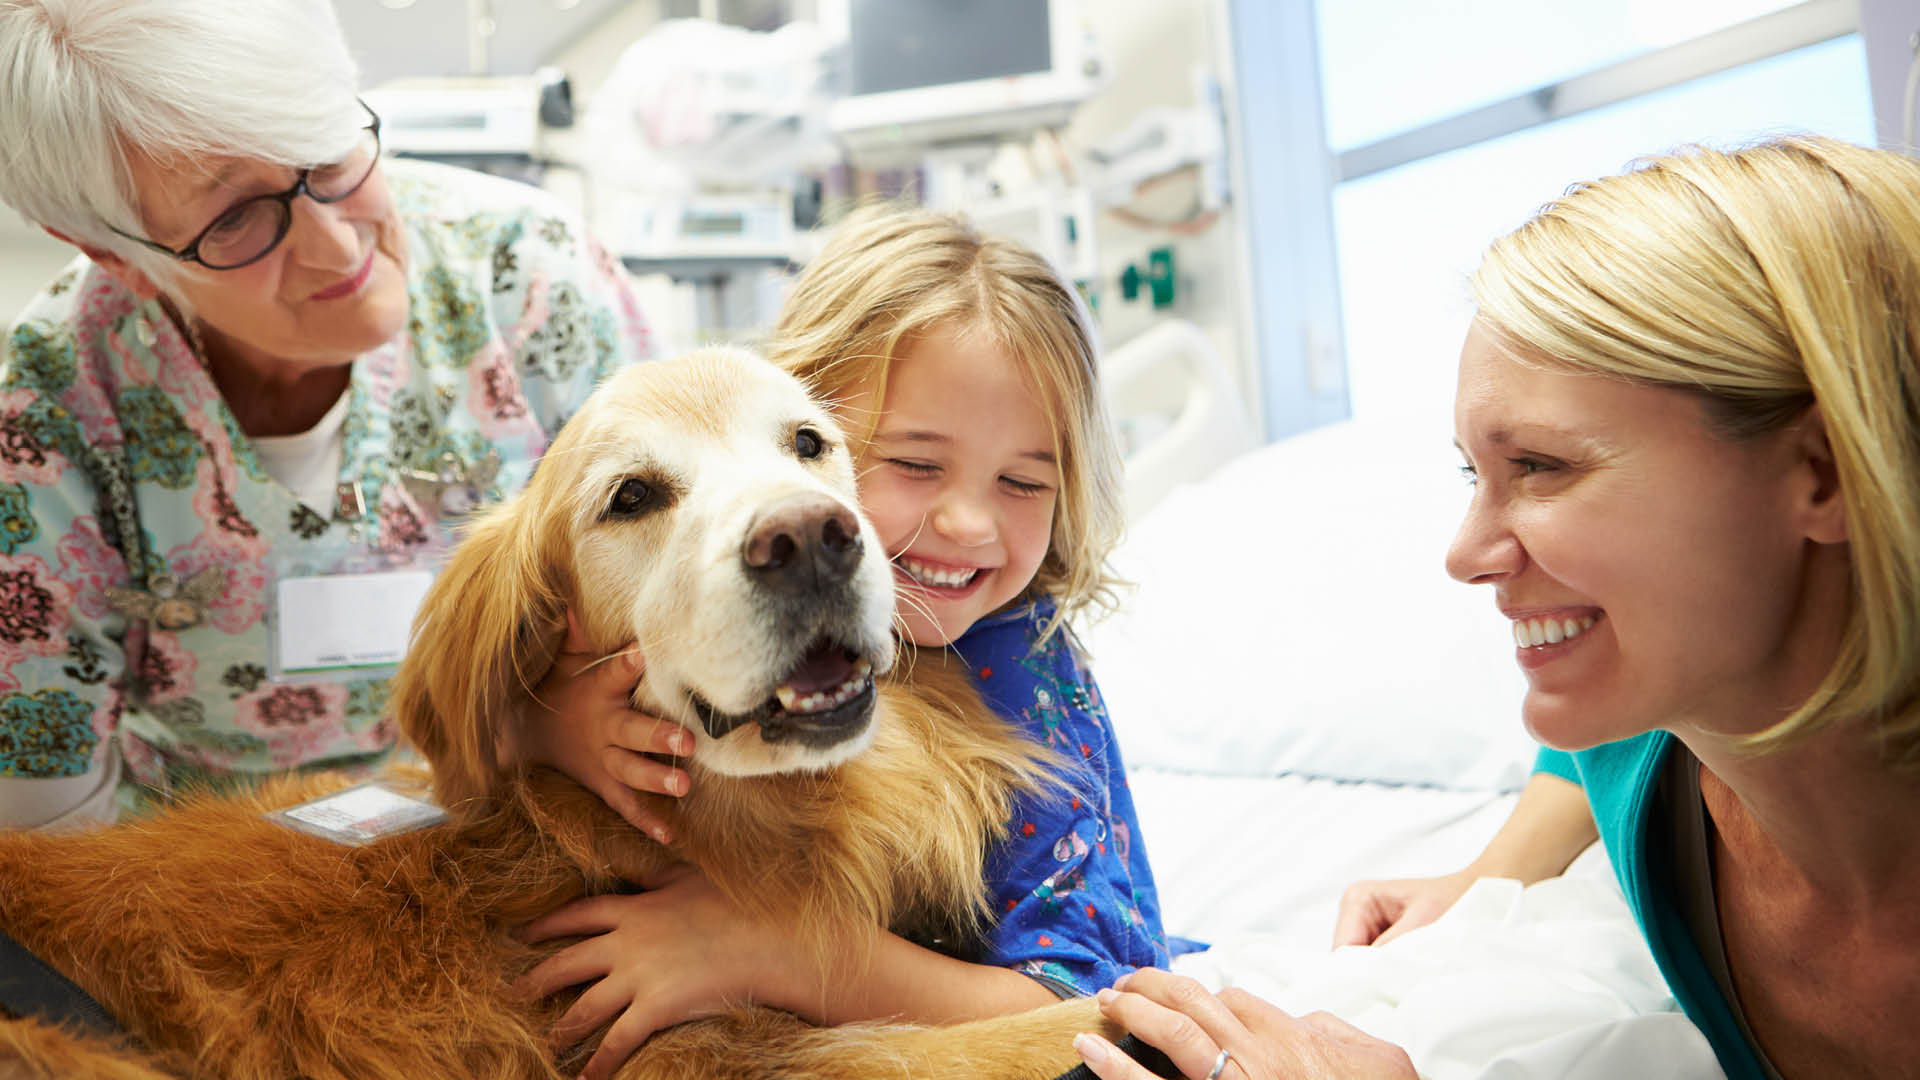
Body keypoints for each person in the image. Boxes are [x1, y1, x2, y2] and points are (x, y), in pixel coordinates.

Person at [1072, 135, 1920, 1080]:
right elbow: (1585, 749)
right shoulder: (1650, 731)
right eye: (1475, 474)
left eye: (1542, 467)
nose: (1466, 556)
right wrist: (1491, 873)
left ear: (1822, 472)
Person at [515, 205, 1174, 1080]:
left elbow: (1091, 1014)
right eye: (912, 465)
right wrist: (547, 724)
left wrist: (774, 949)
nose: (970, 525)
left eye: (1022, 481)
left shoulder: (1029, 679)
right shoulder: (737, 588)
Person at [0, 0, 685, 831]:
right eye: (235, 219)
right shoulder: (52, 408)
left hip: (536, 828)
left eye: (327, 156)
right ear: (119, 257)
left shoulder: (530, 276)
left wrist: (540, 727)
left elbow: (689, 600)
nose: (337, 246)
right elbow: (46, 824)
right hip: (210, 878)